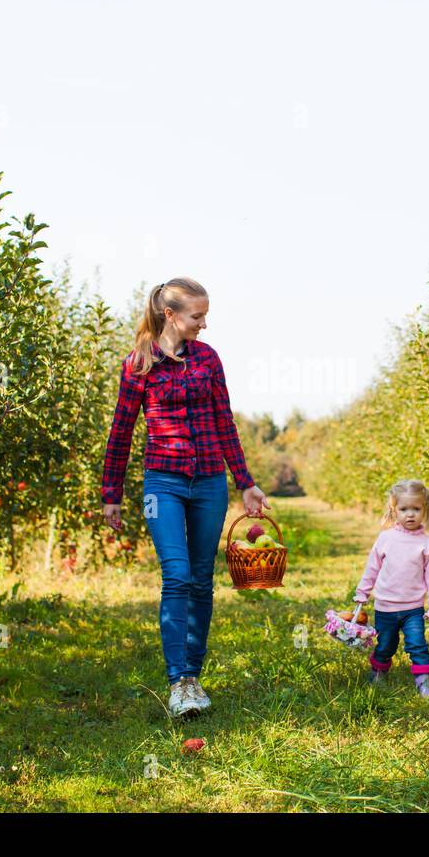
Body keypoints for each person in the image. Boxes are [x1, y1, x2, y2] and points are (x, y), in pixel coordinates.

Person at [100, 277, 270, 717]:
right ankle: (178, 682)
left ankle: (194, 676)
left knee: (200, 579)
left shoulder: (208, 360)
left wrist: (244, 481)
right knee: (176, 575)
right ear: (171, 315)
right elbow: (121, 431)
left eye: (206, 315)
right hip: (164, 483)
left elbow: (224, 423)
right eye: (197, 316)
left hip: (210, 482)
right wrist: (111, 494)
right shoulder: (139, 363)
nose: (204, 324)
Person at [353, 479, 429, 697]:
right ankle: (377, 675)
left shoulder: (426, 544)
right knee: (385, 645)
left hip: (413, 609)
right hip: (385, 607)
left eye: (416, 509)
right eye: (404, 509)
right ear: (394, 510)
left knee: (417, 646)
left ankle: (423, 686)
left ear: (425, 510)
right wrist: (362, 592)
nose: (410, 514)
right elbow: (372, 568)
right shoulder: (386, 539)